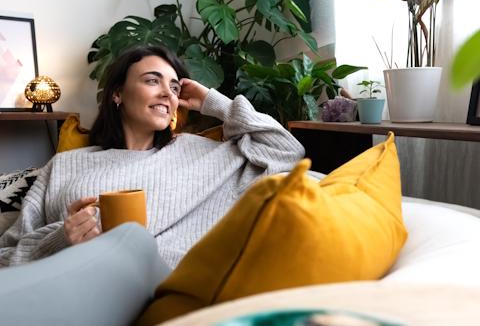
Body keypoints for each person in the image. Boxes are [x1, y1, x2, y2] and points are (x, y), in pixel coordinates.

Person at [0, 45, 305, 268]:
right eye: (151, 80)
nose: (167, 94)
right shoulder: (65, 165)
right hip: (73, 283)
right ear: (117, 94)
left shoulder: (204, 155)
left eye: (174, 87)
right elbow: (6, 257)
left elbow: (285, 151)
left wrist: (214, 102)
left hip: (168, 287)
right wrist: (61, 241)